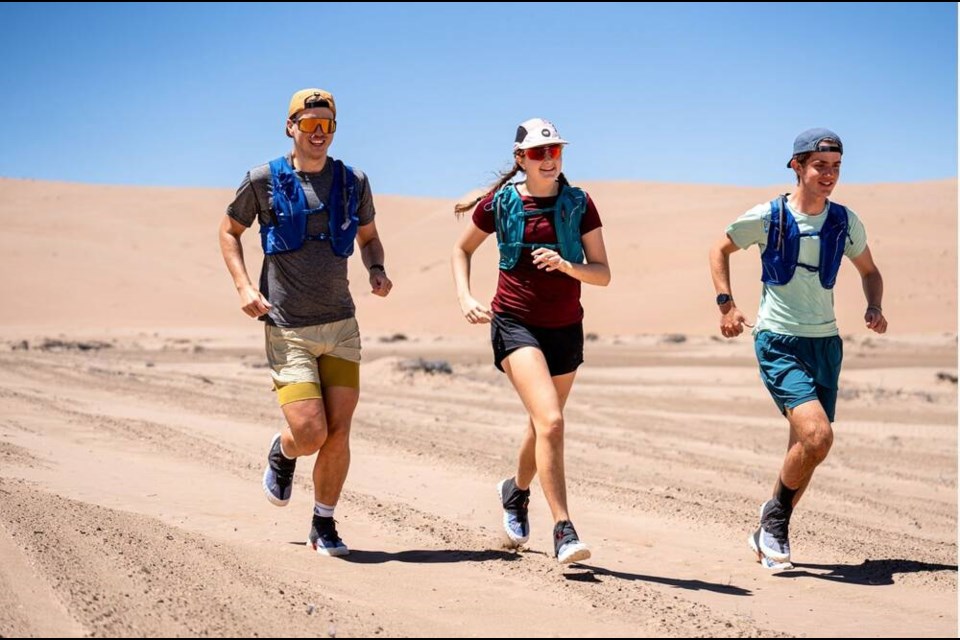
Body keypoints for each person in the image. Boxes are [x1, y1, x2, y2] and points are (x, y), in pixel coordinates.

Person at [218, 88, 392, 557]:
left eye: (327, 126)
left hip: (341, 327)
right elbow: (229, 231)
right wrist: (243, 287)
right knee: (311, 433)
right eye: (310, 124)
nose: (319, 134)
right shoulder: (262, 180)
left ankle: (324, 524)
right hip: (287, 327)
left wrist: (376, 268)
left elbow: (370, 237)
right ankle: (284, 448)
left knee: (339, 432)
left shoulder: (353, 181)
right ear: (290, 127)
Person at [708, 128, 887, 569]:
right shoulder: (768, 216)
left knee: (809, 448)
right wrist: (726, 303)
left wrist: (874, 304)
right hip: (778, 340)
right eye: (820, 166)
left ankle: (771, 526)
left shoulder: (845, 221)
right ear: (798, 167)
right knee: (818, 435)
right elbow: (719, 248)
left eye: (836, 168)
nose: (829, 175)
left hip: (825, 343)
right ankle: (775, 522)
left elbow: (870, 270)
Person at [451, 118, 611, 564]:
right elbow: (461, 249)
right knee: (553, 421)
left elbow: (602, 273)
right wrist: (465, 295)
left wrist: (567, 266)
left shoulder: (580, 205)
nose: (549, 159)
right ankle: (564, 528)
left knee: (542, 424)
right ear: (521, 159)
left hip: (565, 328)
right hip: (514, 323)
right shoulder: (501, 203)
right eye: (540, 153)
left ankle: (516, 491)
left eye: (555, 151)